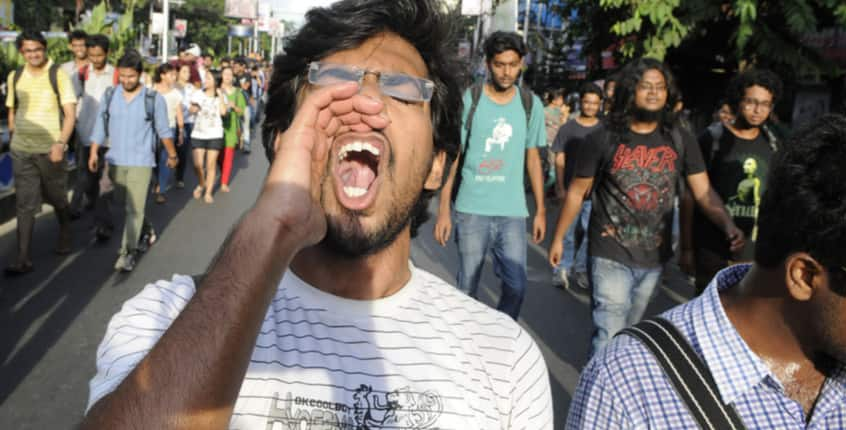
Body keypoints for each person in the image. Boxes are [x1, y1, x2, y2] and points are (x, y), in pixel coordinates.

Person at [81, 1, 552, 428]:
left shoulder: (503, 358)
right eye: (333, 80)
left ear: (436, 166)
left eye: (403, 89)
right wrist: (272, 228)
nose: (366, 104)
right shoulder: (165, 316)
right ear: (282, 140)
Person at [567, 113, 846, 429]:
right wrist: (689, 247)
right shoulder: (629, 385)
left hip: (685, 251)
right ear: (804, 276)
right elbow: (692, 194)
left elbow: (702, 189)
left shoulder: (764, 141)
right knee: (610, 318)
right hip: (623, 249)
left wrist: (727, 225)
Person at [548, 58, 743, 354]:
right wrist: (560, 238)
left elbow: (703, 192)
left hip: (653, 258)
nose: (653, 93)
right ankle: (598, 395)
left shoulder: (680, 139)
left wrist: (727, 223)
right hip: (608, 252)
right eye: (645, 86)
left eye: (660, 87)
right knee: (608, 333)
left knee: (627, 335)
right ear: (630, 91)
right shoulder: (603, 137)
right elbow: (576, 192)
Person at [433, 31, 547, 321]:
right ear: (487, 64)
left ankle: (500, 333)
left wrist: (541, 211)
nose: (506, 72)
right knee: (467, 287)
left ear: (522, 64)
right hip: (472, 211)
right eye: (499, 64)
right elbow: (454, 156)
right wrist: (444, 210)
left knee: (517, 287)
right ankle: (467, 343)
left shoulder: (530, 104)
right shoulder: (470, 99)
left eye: (512, 64)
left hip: (512, 213)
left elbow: (533, 158)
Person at [683, 69, 783, 295]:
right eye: (751, 102)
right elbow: (690, 195)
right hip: (711, 249)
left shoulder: (774, 144)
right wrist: (687, 249)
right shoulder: (712, 139)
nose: (758, 110)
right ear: (738, 100)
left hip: (753, 252)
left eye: (766, 104)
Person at [88, 50, 177, 272]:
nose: (127, 81)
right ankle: (146, 230)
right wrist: (93, 151)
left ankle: (127, 253)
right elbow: (100, 125)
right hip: (115, 160)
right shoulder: (110, 95)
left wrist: (172, 154)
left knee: (134, 209)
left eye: (131, 76)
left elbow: (163, 129)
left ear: (140, 74)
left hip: (141, 162)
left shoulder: (152, 99)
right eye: (123, 76)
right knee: (124, 203)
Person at [3, 30, 77, 276]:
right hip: (22, 150)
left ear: (44, 49)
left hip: (50, 151)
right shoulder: (15, 76)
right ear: (22, 52)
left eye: (37, 49)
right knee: (25, 204)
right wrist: (13, 134)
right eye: (28, 50)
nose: (33, 54)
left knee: (57, 198)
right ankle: (23, 257)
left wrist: (60, 144)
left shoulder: (58, 75)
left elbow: (70, 115)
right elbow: (13, 108)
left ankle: (65, 227)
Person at [550, 82, 603, 291]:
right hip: (572, 191)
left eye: (594, 103)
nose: (590, 106)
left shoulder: (604, 130)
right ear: (581, 102)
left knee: (591, 234)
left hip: (597, 194)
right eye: (587, 102)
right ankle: (562, 269)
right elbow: (560, 158)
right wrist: (560, 186)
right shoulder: (568, 128)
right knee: (568, 233)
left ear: (599, 105)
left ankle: (581, 269)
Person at [70, 34, 114, 220]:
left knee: (106, 181)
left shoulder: (117, 75)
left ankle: (103, 224)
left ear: (107, 53)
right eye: (92, 55)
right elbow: (70, 102)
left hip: (110, 138)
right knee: (85, 176)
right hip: (85, 134)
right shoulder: (80, 75)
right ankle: (79, 207)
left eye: (99, 55)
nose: (96, 60)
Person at [188, 69, 226, 204]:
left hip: (215, 134)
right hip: (198, 133)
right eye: (206, 77)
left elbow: (223, 112)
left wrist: (221, 96)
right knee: (197, 164)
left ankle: (208, 192)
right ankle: (201, 183)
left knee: (210, 165)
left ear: (216, 81)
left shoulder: (221, 96)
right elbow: (191, 109)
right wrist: (193, 109)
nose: (206, 80)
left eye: (209, 78)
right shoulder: (198, 94)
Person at [151, 63, 185, 204]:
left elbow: (179, 115)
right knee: (152, 159)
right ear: (162, 75)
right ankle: (156, 181)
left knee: (166, 160)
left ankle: (161, 189)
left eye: (174, 75)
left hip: (169, 129)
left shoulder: (176, 94)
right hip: (152, 130)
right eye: (170, 74)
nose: (173, 77)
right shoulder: (151, 91)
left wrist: (181, 132)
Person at [218, 66, 245, 192]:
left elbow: (241, 111)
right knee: (218, 155)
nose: (228, 77)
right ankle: (220, 171)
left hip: (231, 128)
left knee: (228, 156)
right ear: (221, 76)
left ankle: (224, 182)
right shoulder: (216, 90)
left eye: (230, 74)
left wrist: (234, 107)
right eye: (225, 74)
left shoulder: (238, 92)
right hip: (216, 127)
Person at [174, 63, 196, 189]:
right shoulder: (173, 87)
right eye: (184, 71)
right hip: (173, 122)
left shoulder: (191, 88)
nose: (187, 74)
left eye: (188, 72)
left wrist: (195, 108)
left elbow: (197, 102)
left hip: (187, 122)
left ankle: (179, 177)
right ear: (178, 73)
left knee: (183, 152)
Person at [60, 29, 89, 96]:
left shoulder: (95, 67)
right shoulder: (64, 68)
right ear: (70, 47)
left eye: (82, 45)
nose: (79, 49)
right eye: (75, 46)